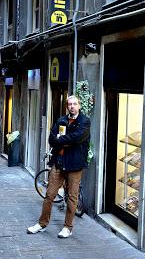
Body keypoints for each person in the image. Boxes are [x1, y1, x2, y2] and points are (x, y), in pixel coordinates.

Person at [27, 95, 90, 238]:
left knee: (72, 198)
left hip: (74, 165)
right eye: (70, 104)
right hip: (59, 162)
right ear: (67, 106)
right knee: (49, 195)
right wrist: (63, 141)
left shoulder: (84, 122)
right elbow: (51, 138)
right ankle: (42, 224)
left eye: (75, 104)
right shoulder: (61, 120)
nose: (72, 106)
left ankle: (68, 227)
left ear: (79, 105)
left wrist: (60, 140)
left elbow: (77, 138)